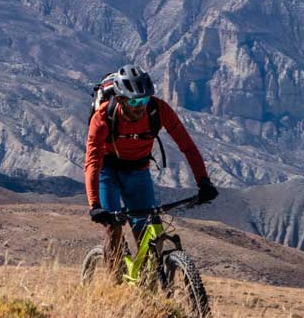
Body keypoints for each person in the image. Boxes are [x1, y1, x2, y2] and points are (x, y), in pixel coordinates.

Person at [84, 64, 218, 275]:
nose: (140, 106)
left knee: (146, 230)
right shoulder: (103, 117)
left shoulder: (158, 110)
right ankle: (115, 282)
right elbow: (92, 162)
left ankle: (148, 282)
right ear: (120, 99)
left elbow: (188, 147)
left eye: (144, 100)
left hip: (138, 169)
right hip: (107, 170)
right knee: (114, 227)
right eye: (134, 101)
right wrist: (95, 205)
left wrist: (203, 181)